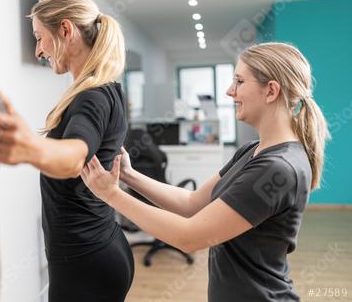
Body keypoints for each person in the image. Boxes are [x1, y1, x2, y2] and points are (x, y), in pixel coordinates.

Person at [80, 42, 330, 301]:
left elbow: (189, 238)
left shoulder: (278, 169)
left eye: (239, 81)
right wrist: (129, 175)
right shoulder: (253, 150)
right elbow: (191, 204)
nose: (229, 91)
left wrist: (112, 195)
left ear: (271, 91)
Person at [0, 0, 134, 302]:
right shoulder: (109, 90)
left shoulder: (91, 98)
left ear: (65, 30)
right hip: (103, 247)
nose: (38, 51)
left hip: (84, 262)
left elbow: (75, 155)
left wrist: (30, 148)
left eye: (39, 37)